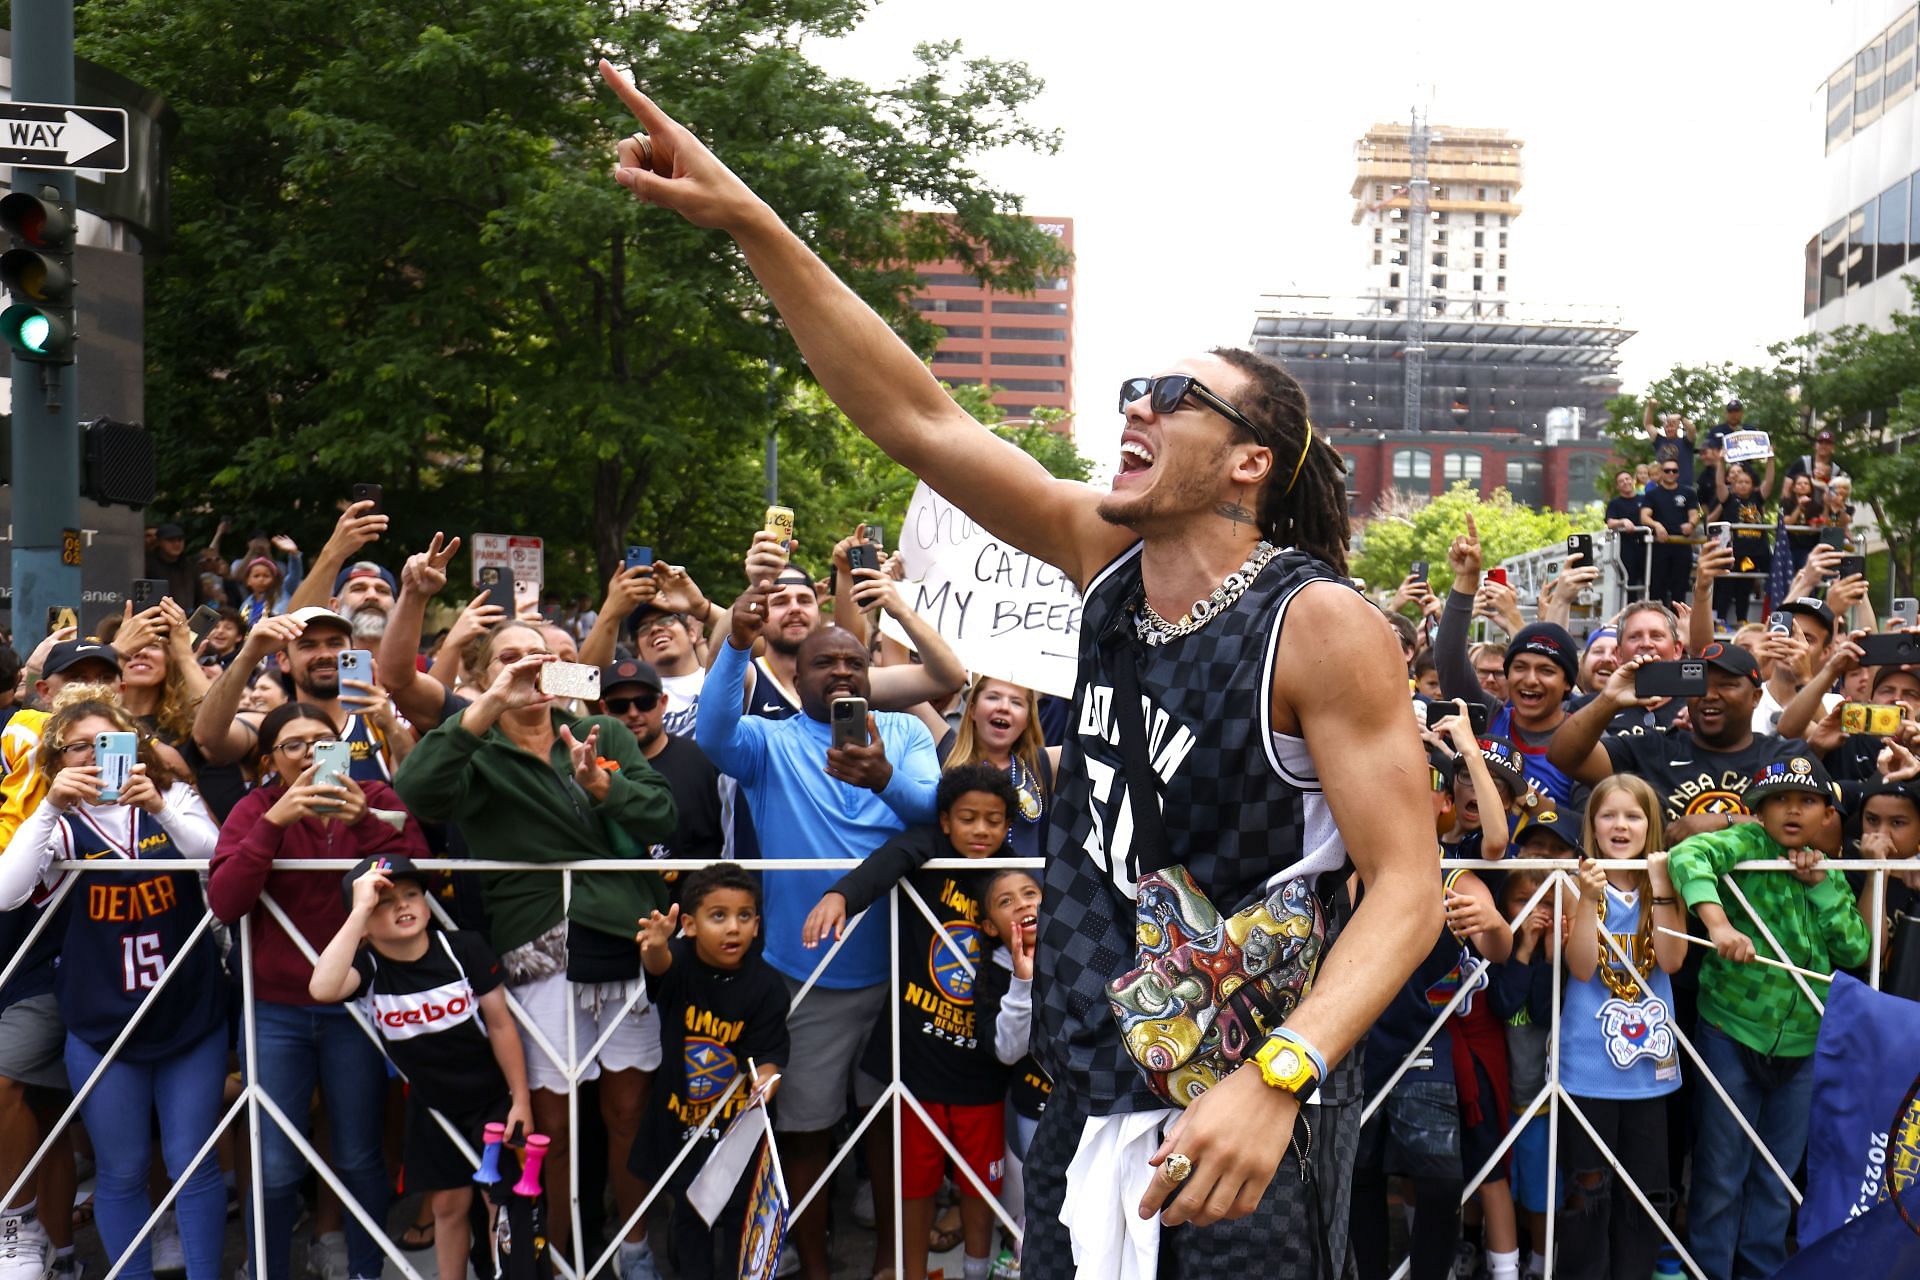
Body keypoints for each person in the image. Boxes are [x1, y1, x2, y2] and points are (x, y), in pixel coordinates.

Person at [604, 65, 1438, 1280]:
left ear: (1252, 460)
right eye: (1133, 389)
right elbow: (917, 417)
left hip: (1245, 1098)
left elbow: (1407, 888)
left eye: (1175, 395)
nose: (1135, 406)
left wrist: (1280, 1075)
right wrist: (752, 222)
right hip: (1084, 1079)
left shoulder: (1316, 624)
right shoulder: (1104, 559)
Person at [392, 622, 676, 1272]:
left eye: (537, 657)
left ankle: (633, 1251)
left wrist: (607, 789)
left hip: (620, 939)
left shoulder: (604, 734)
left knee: (627, 1111)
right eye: (508, 658)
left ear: (560, 669)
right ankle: (557, 1259)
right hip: (536, 946)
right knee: (552, 1125)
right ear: (488, 672)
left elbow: (661, 814)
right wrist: (487, 704)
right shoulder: (479, 746)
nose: (525, 666)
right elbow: (415, 794)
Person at [694, 570, 940, 1280]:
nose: (840, 672)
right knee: (803, 1130)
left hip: (904, 972)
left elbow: (932, 811)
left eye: (853, 662)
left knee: (893, 1128)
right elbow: (713, 733)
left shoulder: (902, 732)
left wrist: (882, 778)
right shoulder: (767, 743)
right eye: (824, 663)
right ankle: (814, 1264)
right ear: (793, 673)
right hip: (806, 982)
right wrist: (736, 646)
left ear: (870, 670)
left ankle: (895, 1262)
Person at [0, 694, 224, 1280]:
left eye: (109, 743)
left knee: (192, 1162)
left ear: (134, 744)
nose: (97, 758)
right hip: (103, 1019)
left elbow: (217, 856)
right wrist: (49, 803)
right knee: (121, 1170)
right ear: (59, 759)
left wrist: (162, 807)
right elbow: (6, 891)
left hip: (185, 1007)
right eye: (80, 747)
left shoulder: (171, 797)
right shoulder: (61, 823)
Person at [208, 703, 430, 1280]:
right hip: (276, 1009)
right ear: (269, 760)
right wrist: (274, 822)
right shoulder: (255, 807)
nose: (310, 754)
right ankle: (266, 1269)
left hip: (356, 1003)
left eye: (324, 742)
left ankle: (363, 1270)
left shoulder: (376, 793)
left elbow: (421, 878)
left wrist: (365, 821)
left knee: (359, 1153)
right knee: (276, 1161)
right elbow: (226, 901)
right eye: (293, 745)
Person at [803, 763, 1018, 1280]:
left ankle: (976, 1269)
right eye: (968, 818)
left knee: (978, 1183)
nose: (981, 831)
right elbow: (883, 865)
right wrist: (841, 896)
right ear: (945, 821)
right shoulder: (926, 848)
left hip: (982, 1065)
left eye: (993, 820)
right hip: (916, 1061)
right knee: (915, 1183)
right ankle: (912, 1272)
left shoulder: (1015, 869)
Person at [1666, 758, 1870, 1280]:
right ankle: (1708, 1270)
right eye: (1779, 800)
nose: (1793, 810)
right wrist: (1717, 923)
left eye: (1806, 801)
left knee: (1777, 1177)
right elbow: (1688, 853)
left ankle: (1760, 1272)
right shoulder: (1747, 846)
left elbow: (1854, 949)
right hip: (1730, 1030)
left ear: (1829, 812)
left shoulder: (1828, 866)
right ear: (1758, 811)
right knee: (1719, 1171)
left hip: (1804, 1044)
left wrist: (1823, 885)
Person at [309, 856, 534, 1280]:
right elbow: (322, 987)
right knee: (448, 1205)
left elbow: (502, 1025)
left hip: (489, 1100)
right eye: (384, 902)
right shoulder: (371, 968)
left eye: (411, 894)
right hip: (431, 1106)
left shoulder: (463, 948)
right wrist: (358, 910)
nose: (402, 906)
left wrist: (519, 1100)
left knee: (497, 1203)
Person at [1556, 776, 1687, 1280]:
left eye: (1633, 816)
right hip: (1588, 1063)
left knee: (1645, 1189)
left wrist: (1664, 888)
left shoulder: (1663, 883)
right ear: (1591, 825)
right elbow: (1583, 968)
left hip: (1650, 1067)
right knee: (1587, 1188)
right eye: (1608, 815)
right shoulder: (1574, 882)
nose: (1620, 825)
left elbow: (1673, 960)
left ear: (1651, 827)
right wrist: (1588, 899)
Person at [630, 864, 787, 1280]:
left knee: (740, 1224)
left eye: (745, 916)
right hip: (682, 1126)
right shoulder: (679, 961)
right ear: (690, 924)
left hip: (739, 1136)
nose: (733, 928)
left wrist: (766, 1082)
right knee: (689, 1223)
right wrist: (655, 945)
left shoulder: (767, 986)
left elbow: (771, 1055)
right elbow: (659, 965)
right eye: (718, 916)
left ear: (757, 924)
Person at [1546, 645, 1801, 834]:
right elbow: (1562, 756)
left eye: (1727, 685)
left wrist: (1723, 820)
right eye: (1699, 685)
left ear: (1756, 697)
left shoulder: (1783, 756)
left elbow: (1822, 833)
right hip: (1667, 902)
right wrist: (1609, 700)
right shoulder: (1653, 748)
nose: (1710, 695)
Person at [1438, 523, 1582, 808]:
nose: (1530, 680)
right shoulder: (1490, 718)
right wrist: (1466, 580)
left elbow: (1584, 826)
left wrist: (1522, 795)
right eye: (1519, 668)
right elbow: (1449, 659)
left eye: (1546, 671)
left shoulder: (1583, 742)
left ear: (1568, 682)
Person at [194, 607, 414, 784]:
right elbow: (208, 737)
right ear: (283, 661)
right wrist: (249, 655)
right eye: (308, 646)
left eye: (335, 643)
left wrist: (392, 728)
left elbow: (417, 791)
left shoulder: (379, 723)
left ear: (352, 651)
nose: (325, 654)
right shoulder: (270, 725)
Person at [598, 659, 723, 868]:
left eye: (645, 702)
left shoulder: (702, 760)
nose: (633, 713)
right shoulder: (595, 768)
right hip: (624, 893)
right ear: (604, 709)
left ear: (663, 702)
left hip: (697, 892)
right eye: (619, 706)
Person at [919, 675, 1058, 859]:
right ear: (972, 710)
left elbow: (1093, 743)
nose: (1004, 707)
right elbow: (904, 689)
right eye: (993, 697)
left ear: (1027, 720)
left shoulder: (1040, 763)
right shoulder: (950, 752)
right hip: (963, 886)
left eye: (1016, 703)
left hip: (1027, 886)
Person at [1638, 459, 1698, 607]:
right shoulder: (1652, 494)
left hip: (1682, 545)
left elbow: (1695, 514)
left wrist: (1691, 524)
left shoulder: (1688, 492)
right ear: (1661, 473)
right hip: (1660, 546)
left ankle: (1678, 623)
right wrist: (1657, 525)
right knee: (1657, 587)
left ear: (1678, 473)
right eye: (1667, 470)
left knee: (1680, 588)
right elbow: (1644, 516)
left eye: (1674, 471)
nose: (1671, 473)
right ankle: (1657, 622)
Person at [1716, 464, 1770, 626]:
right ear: (1733, 484)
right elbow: (1719, 484)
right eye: (1739, 482)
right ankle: (1720, 620)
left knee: (1744, 586)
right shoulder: (1729, 500)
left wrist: (1770, 459)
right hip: (1733, 553)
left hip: (1751, 554)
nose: (1743, 485)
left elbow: (1769, 482)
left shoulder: (1756, 499)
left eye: (1747, 482)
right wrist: (1721, 460)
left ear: (1752, 485)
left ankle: (1741, 619)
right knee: (1726, 586)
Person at [1604, 471, 1650, 595]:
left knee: (1651, 581)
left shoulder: (1645, 499)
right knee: (1630, 582)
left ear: (1633, 480)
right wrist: (1623, 521)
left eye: (1627, 479)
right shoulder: (1615, 503)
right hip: (1626, 547)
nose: (1625, 482)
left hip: (1647, 546)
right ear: (1617, 486)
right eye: (1621, 481)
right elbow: (1610, 522)